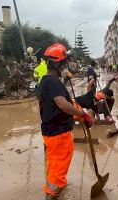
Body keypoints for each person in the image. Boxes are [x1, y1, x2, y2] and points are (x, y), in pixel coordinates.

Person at [38, 43, 93, 199]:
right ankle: (52, 193)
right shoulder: (52, 82)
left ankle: (56, 186)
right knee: (59, 163)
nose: (66, 66)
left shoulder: (49, 81)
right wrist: (82, 114)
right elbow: (62, 104)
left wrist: (78, 114)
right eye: (64, 63)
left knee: (56, 162)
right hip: (57, 132)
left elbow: (59, 104)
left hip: (54, 130)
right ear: (57, 64)